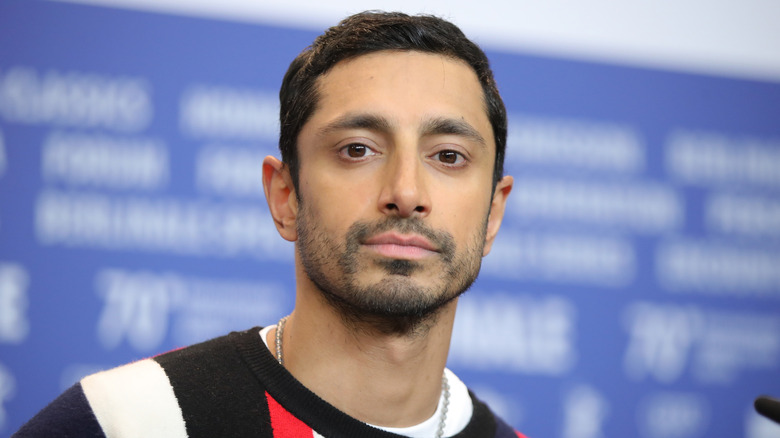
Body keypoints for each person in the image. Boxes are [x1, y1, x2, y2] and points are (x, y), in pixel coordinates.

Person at [14, 10, 523, 438]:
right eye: (358, 150)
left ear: (493, 213)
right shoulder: (132, 422)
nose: (407, 194)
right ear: (285, 197)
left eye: (449, 156)